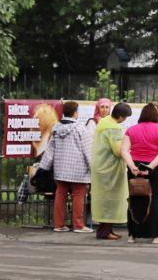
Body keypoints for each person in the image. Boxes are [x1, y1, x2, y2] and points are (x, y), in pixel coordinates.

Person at [38, 100, 92, 233]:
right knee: (78, 195)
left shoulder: (56, 128)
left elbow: (50, 150)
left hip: (60, 169)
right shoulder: (80, 128)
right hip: (78, 170)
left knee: (60, 194)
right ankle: (78, 225)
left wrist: (43, 166)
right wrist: (93, 168)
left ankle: (59, 224)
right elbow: (88, 150)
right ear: (75, 113)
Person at [126, 102, 158, 242]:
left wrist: (132, 166)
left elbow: (124, 150)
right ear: (156, 115)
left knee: (135, 199)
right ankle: (155, 235)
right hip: (155, 168)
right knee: (154, 200)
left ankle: (132, 235)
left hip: (134, 167)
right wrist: (150, 167)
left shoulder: (131, 130)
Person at [90, 102, 130, 240]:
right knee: (110, 199)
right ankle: (104, 232)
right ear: (120, 116)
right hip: (109, 168)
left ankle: (107, 229)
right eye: (125, 117)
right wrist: (128, 146)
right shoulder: (113, 128)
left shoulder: (104, 122)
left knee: (103, 199)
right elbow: (118, 151)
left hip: (100, 165)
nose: (125, 120)